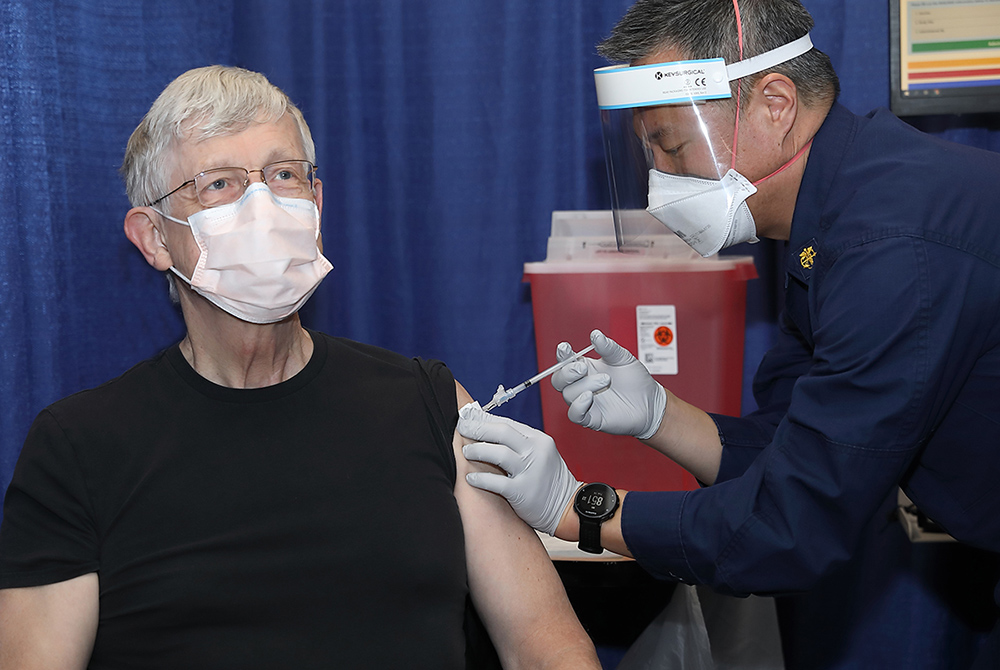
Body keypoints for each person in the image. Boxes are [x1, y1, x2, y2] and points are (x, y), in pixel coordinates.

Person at [0, 65, 601, 670]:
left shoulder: (427, 402)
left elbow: (543, 644)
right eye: (219, 184)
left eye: (284, 175)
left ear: (316, 203)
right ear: (154, 237)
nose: (262, 204)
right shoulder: (78, 450)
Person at [457, 0, 1000, 666]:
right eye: (648, 150)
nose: (661, 182)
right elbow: (794, 449)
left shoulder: (891, 248)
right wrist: (660, 416)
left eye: (673, 145)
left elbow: (793, 524)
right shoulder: (841, 215)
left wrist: (582, 510)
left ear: (774, 103)